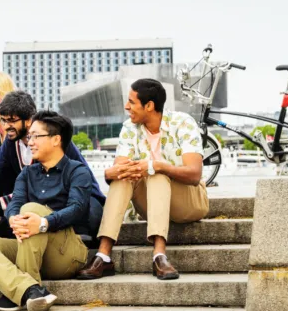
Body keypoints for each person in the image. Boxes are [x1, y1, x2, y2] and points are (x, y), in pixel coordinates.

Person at [76, 78, 208, 281]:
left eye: (131, 102)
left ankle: (159, 255)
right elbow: (116, 170)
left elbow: (194, 174)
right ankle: (103, 255)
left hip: (189, 202)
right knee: (125, 176)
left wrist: (156, 166)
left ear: (149, 106)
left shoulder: (183, 123)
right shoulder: (130, 127)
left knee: (156, 172)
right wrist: (112, 173)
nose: (126, 106)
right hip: (151, 204)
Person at [0, 111, 101, 311]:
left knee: (31, 210)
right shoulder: (27, 173)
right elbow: (15, 204)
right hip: (31, 248)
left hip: (67, 252)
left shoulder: (77, 171)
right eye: (29, 136)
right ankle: (30, 291)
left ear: (56, 139)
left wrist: (42, 223)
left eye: (35, 136)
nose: (29, 142)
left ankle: (16, 291)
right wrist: (14, 219)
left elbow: (77, 209)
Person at [0, 91, 103, 239]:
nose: (6, 126)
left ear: (29, 120)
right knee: (5, 226)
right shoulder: (10, 144)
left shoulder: (53, 140)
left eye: (11, 121)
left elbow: (81, 177)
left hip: (71, 197)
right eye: (3, 121)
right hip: (38, 201)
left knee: (90, 218)